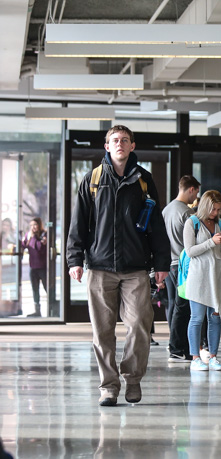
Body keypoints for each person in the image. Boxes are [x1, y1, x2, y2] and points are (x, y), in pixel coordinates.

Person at [66, 125, 170, 406]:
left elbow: (156, 225)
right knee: (102, 331)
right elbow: (78, 223)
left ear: (132, 146)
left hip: (136, 268)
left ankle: (132, 379)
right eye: (115, 140)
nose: (120, 144)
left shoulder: (144, 180)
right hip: (99, 267)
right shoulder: (93, 180)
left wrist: (162, 262)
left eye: (125, 140)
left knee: (139, 325)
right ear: (107, 146)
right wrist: (74, 259)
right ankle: (108, 386)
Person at [184, 190, 221, 372]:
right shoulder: (192, 223)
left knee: (215, 317)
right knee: (196, 318)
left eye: (219, 210)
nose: (216, 213)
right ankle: (195, 357)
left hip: (217, 276)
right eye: (214, 209)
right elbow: (190, 251)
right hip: (199, 276)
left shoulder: (220, 223)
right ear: (205, 206)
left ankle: (213, 356)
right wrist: (212, 242)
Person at [162, 175, 200, 363]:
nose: (195, 197)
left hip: (168, 265)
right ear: (191, 189)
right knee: (183, 308)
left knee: (174, 306)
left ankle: (176, 346)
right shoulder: (187, 213)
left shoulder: (166, 210)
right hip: (183, 265)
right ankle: (177, 348)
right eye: (196, 192)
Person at [19, 218, 47, 317]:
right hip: (33, 267)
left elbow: (39, 248)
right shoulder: (29, 235)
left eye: (35, 225)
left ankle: (54, 309)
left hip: (43, 267)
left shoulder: (44, 234)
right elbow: (23, 245)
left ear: (39, 225)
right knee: (35, 289)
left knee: (47, 288)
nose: (33, 227)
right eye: (31, 225)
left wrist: (33, 237)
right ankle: (37, 311)